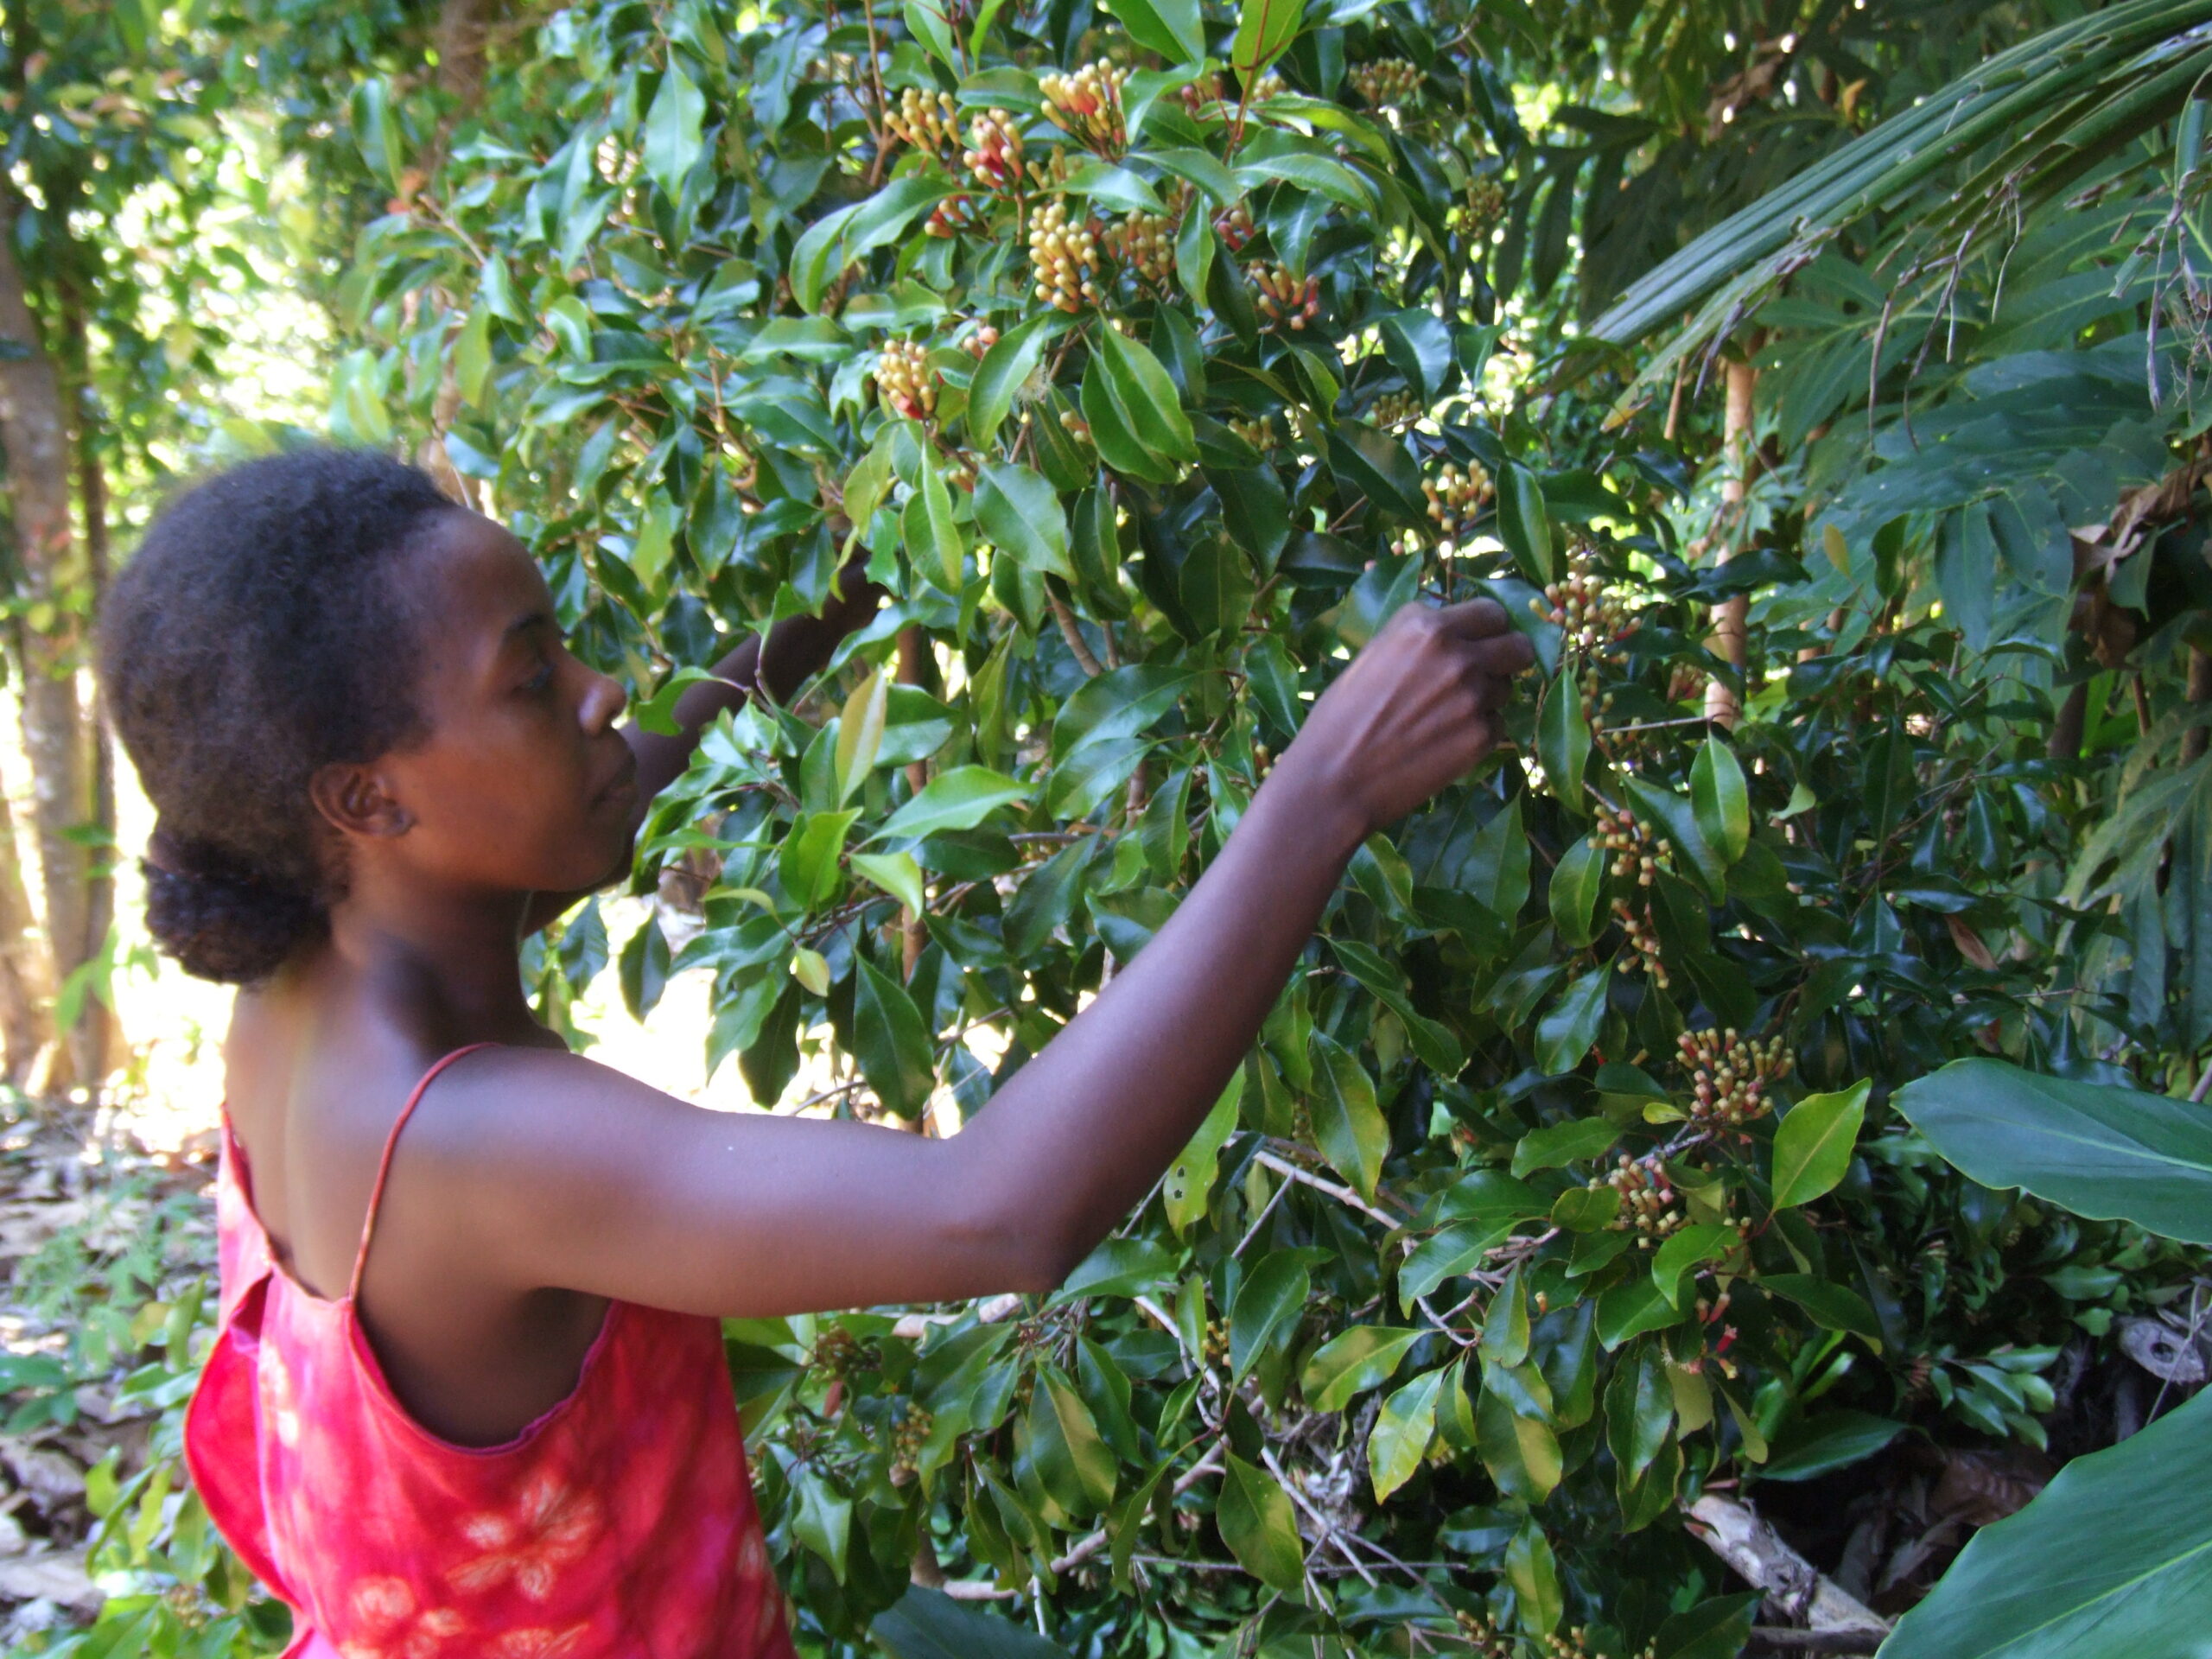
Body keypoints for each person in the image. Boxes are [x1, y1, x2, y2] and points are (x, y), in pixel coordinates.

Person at [97, 447, 1535, 1658]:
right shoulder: (467, 1146)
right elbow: (1006, 1209)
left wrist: (853, 587)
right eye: (533, 680)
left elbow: (623, 776)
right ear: (368, 797)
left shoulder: (315, 956)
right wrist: (1324, 788)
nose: (602, 692)